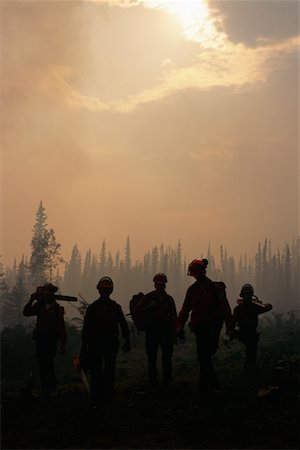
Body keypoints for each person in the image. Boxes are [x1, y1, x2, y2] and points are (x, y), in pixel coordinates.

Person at [177, 259, 233, 393]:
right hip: (200, 328)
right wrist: (179, 326)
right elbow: (185, 310)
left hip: (213, 326)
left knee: (206, 354)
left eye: (197, 273)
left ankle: (208, 385)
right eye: (194, 274)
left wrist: (230, 329)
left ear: (203, 271)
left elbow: (225, 309)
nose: (196, 276)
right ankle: (208, 385)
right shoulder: (192, 290)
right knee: (203, 355)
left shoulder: (215, 288)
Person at [80, 277, 130, 408]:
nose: (104, 292)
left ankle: (104, 396)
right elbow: (86, 328)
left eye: (106, 290)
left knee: (108, 370)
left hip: (108, 342)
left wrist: (127, 339)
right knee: (98, 370)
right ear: (100, 290)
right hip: (96, 343)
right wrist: (84, 345)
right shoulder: (95, 308)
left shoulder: (111, 307)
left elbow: (123, 325)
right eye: (103, 290)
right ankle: (98, 396)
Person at [23, 283, 67, 394]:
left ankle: (51, 387)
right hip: (40, 340)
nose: (47, 296)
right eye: (46, 294)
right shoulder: (39, 306)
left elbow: (60, 326)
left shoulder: (57, 309)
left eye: (49, 294)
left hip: (51, 340)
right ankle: (45, 388)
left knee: (49, 363)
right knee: (42, 363)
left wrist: (63, 342)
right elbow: (26, 313)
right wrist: (31, 299)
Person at [139, 273, 177, 388]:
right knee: (152, 357)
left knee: (166, 356)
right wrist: (150, 306)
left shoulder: (169, 299)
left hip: (165, 331)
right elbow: (138, 310)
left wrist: (174, 332)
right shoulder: (148, 297)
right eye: (158, 284)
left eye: (162, 284)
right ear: (155, 285)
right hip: (152, 331)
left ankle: (166, 379)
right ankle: (153, 380)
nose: (160, 286)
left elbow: (174, 316)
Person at [233, 283, 272, 374]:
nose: (247, 297)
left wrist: (259, 304)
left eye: (248, 295)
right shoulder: (238, 309)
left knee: (251, 350)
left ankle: (250, 368)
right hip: (243, 332)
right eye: (246, 295)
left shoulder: (255, 306)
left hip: (251, 332)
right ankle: (249, 368)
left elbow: (269, 307)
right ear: (243, 295)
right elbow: (233, 321)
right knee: (250, 349)